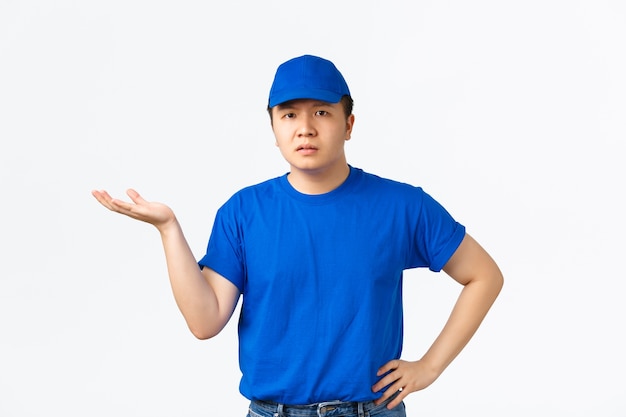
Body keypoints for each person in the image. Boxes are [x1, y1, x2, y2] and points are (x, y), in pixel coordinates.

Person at [92, 54, 503, 417]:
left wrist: (429, 367)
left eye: (321, 112)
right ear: (273, 127)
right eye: (289, 114)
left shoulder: (401, 206)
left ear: (349, 124)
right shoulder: (244, 212)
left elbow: (484, 275)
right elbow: (204, 321)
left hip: (368, 411)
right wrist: (168, 229)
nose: (304, 128)